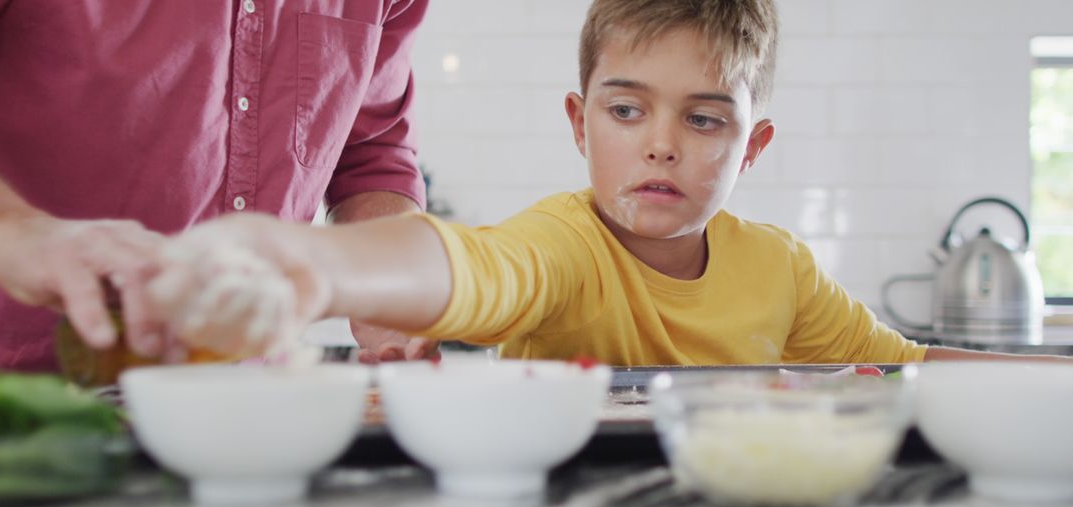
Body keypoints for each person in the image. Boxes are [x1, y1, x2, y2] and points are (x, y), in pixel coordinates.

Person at [138, 0, 1063, 366]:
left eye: (704, 120)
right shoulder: (565, 242)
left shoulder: (781, 268)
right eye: (628, 112)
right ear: (580, 124)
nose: (661, 146)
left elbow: (905, 368)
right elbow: (474, 269)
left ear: (755, 145)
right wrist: (321, 267)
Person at [0, 0, 435, 371]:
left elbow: (372, 153)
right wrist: (13, 228)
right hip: (20, 385)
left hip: (243, 394)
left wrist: (390, 286)